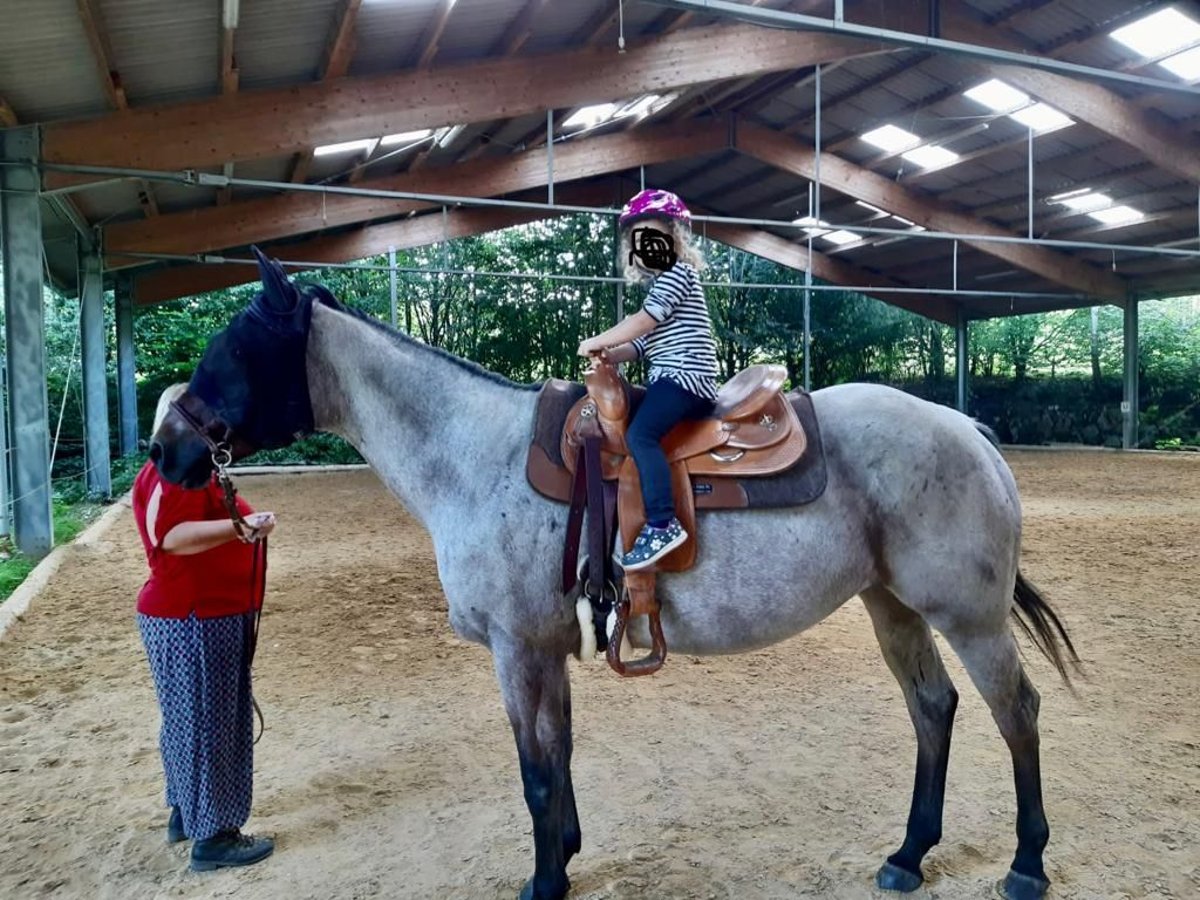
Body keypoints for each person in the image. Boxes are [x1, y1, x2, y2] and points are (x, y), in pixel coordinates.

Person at [132, 384, 277, 871]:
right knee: (212, 725)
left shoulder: (178, 468)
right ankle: (214, 835)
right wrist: (241, 527)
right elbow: (169, 538)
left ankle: (186, 811)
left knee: (187, 720)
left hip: (191, 613)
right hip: (197, 616)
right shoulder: (178, 474)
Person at [577, 189, 720, 570]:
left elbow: (642, 322)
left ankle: (662, 523)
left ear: (674, 238)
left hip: (687, 379)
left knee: (641, 435)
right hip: (669, 378)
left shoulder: (678, 275)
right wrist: (610, 354)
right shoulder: (662, 284)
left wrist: (596, 340)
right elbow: (641, 343)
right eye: (639, 240)